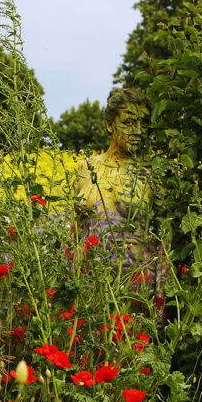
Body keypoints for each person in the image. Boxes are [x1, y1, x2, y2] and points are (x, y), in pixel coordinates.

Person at [74, 88, 166, 300]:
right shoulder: (86, 168)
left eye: (143, 123)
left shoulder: (150, 173)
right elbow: (75, 233)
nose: (138, 130)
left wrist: (160, 297)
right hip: (91, 288)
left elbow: (164, 239)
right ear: (109, 125)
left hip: (136, 287)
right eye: (128, 122)